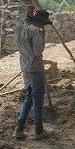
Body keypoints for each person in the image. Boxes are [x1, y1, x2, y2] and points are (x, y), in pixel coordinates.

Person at [13, 8, 53, 141]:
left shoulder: (20, 26)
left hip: (24, 66)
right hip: (35, 68)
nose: (44, 26)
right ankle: (39, 131)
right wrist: (42, 36)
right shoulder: (36, 31)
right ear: (40, 22)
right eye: (44, 24)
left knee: (28, 97)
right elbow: (38, 51)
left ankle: (19, 129)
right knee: (37, 100)